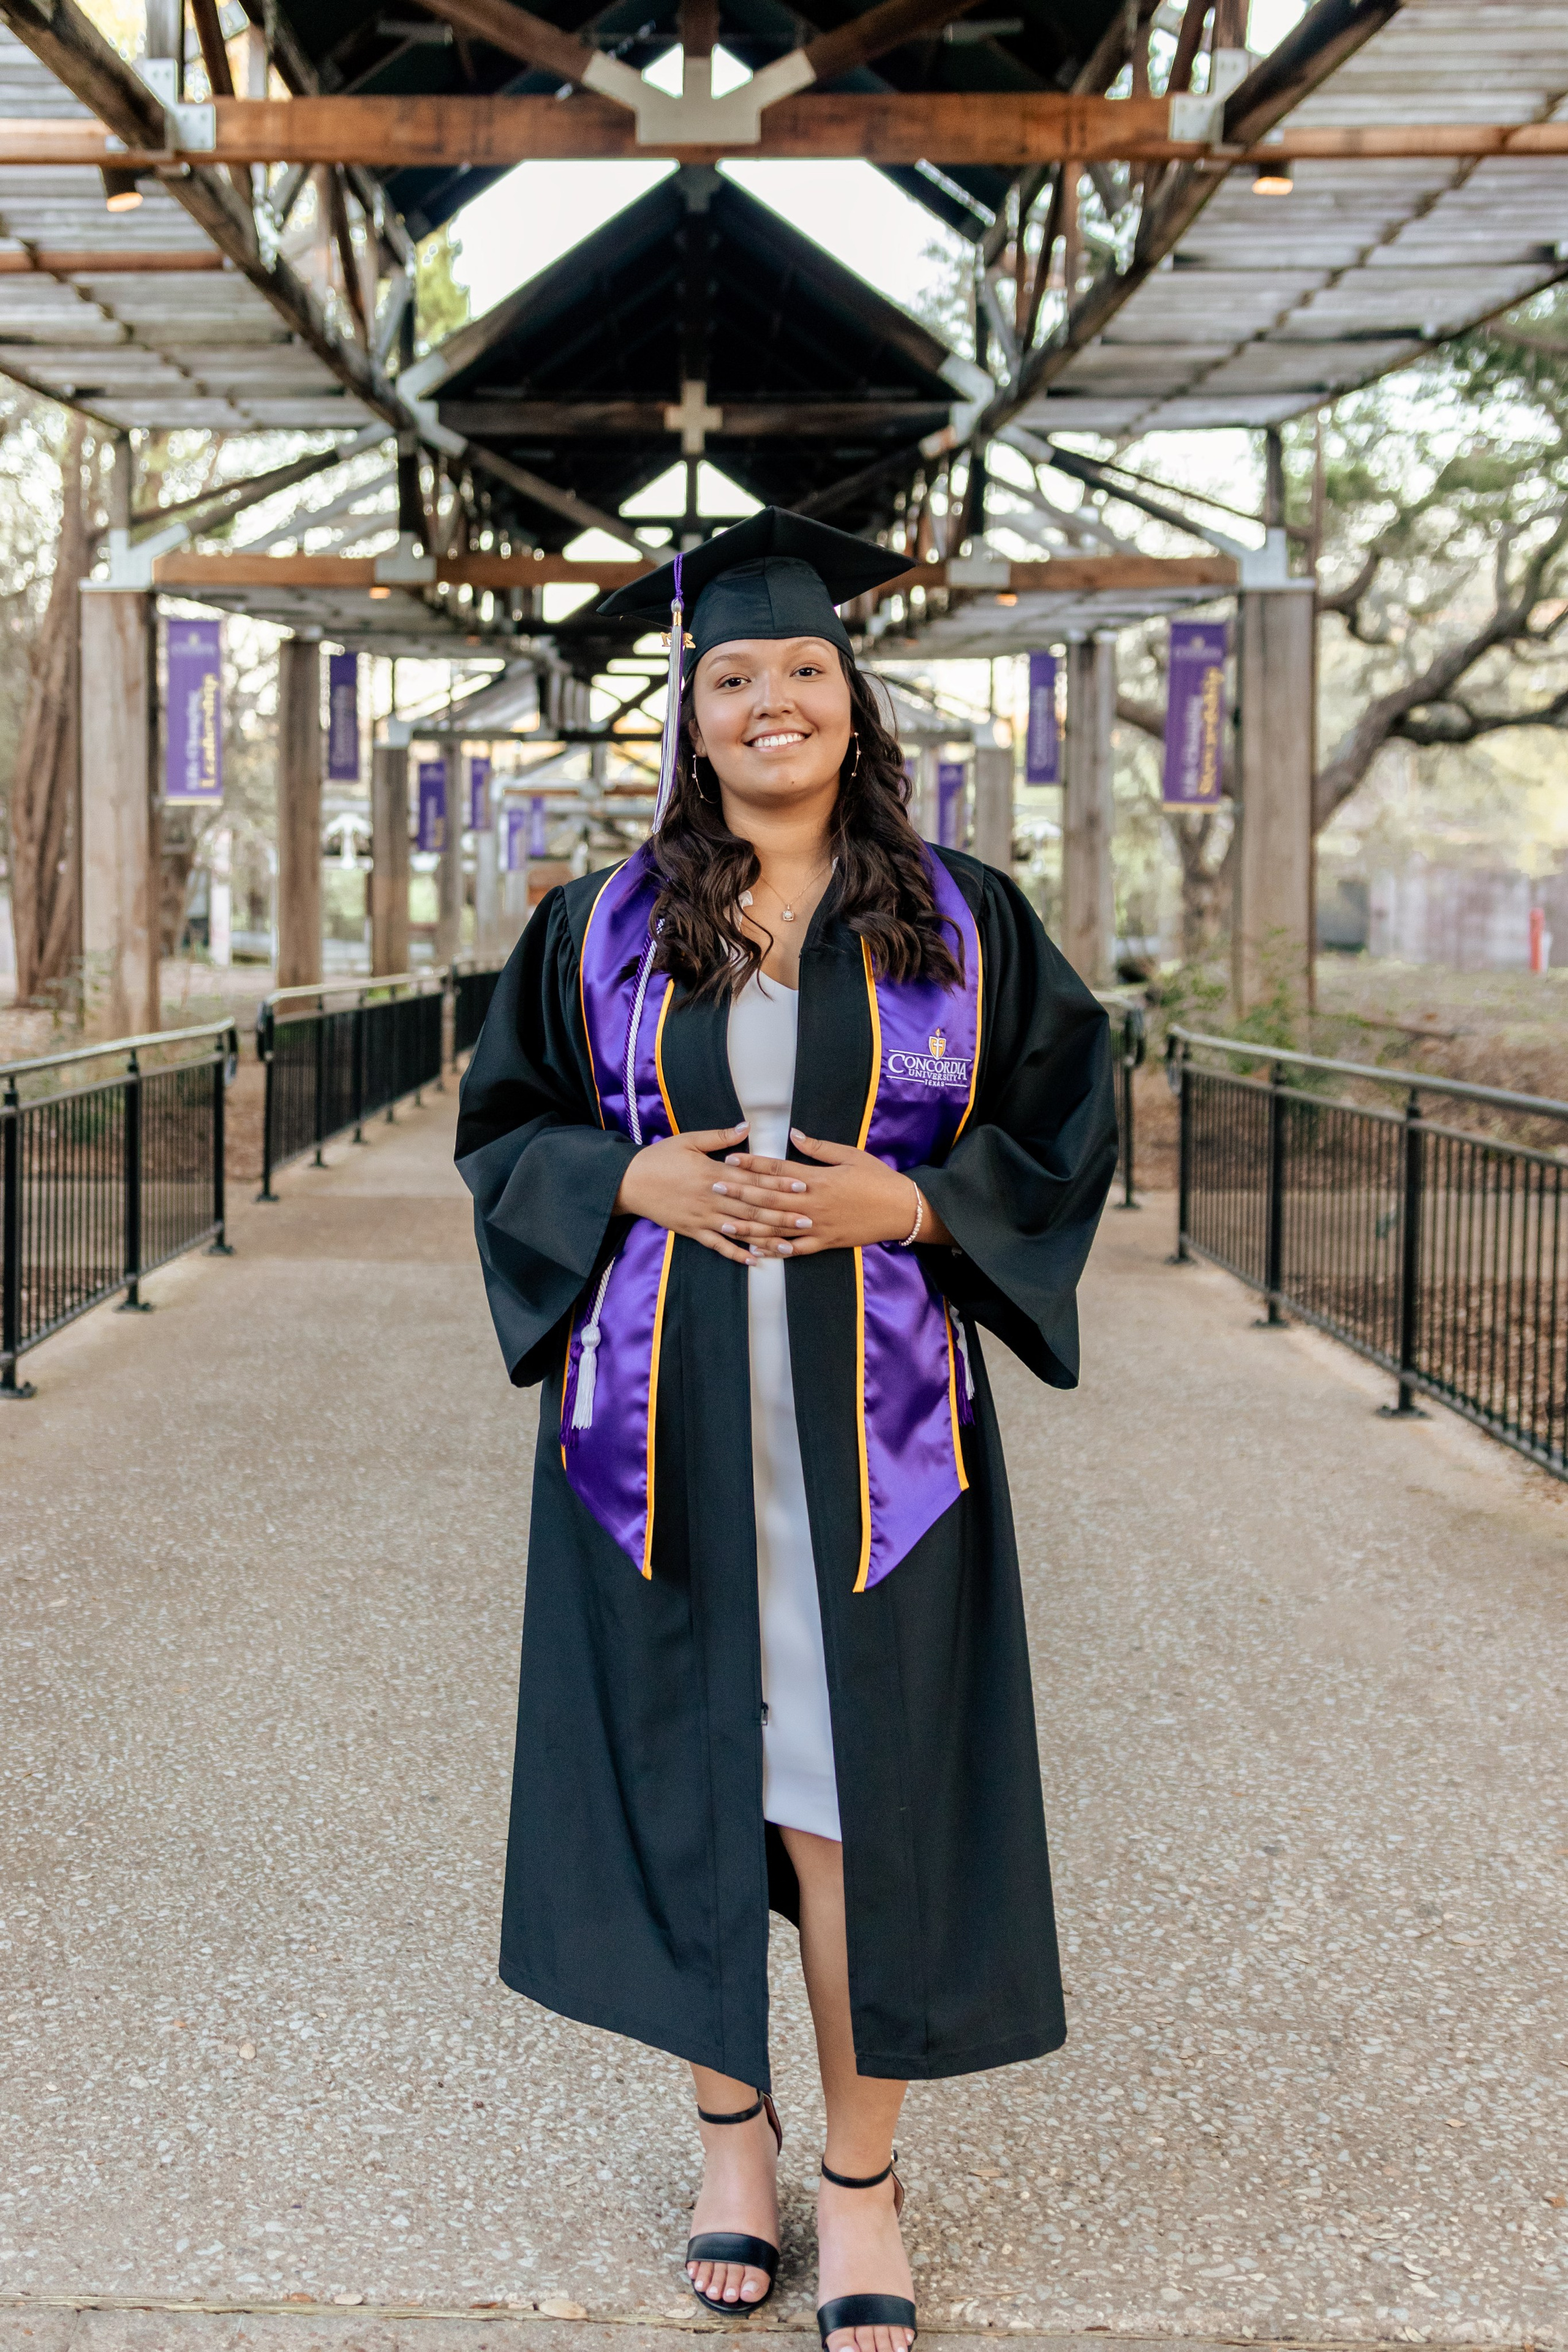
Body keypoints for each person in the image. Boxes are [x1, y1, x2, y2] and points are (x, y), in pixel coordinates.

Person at [455, 507, 1117, 2352]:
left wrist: (905, 1210)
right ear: (687, 716)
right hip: (651, 1437)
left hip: (880, 1448)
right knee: (693, 1782)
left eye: (802, 671)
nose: (770, 702)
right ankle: (727, 2147)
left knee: (857, 1800)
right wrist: (633, 1177)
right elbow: (505, 1134)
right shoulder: (596, 926)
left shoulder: (966, 924)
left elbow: (1072, 1128)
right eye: (731, 676)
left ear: (855, 699)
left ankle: (862, 2181)